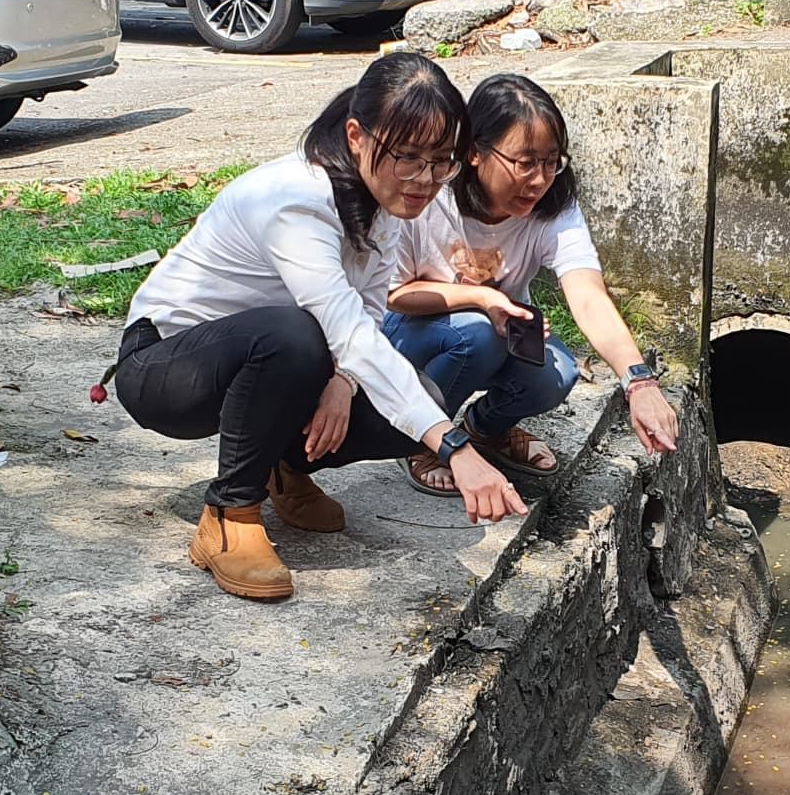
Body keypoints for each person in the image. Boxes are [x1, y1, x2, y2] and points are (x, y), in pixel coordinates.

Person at [109, 54, 527, 602]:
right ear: (357, 136)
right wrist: (455, 448)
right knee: (296, 338)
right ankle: (230, 513)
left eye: (441, 161)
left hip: (271, 362)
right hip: (162, 368)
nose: (425, 179)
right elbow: (343, 330)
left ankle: (282, 467)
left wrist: (343, 382)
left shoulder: (386, 203)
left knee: (409, 399)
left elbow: (372, 313)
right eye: (407, 157)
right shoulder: (297, 200)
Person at [380, 73, 680, 495]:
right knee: (477, 334)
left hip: (502, 331)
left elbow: (588, 296)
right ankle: (420, 436)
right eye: (525, 162)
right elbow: (395, 296)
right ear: (475, 154)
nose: (540, 181)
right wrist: (481, 297)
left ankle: (484, 429)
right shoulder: (429, 197)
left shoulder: (553, 209)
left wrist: (639, 383)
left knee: (556, 373)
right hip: (412, 330)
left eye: (551, 162)